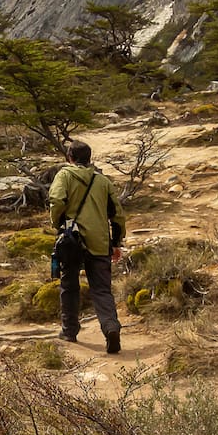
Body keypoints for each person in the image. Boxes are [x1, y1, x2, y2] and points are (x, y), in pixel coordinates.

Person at [48, 139, 126, 353]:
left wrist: (58, 223)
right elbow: (117, 215)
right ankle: (110, 327)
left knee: (69, 285)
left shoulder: (64, 175)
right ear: (89, 158)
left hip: (71, 239)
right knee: (101, 289)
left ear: (69, 157)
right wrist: (116, 242)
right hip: (100, 241)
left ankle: (69, 331)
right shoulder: (103, 181)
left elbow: (56, 200)